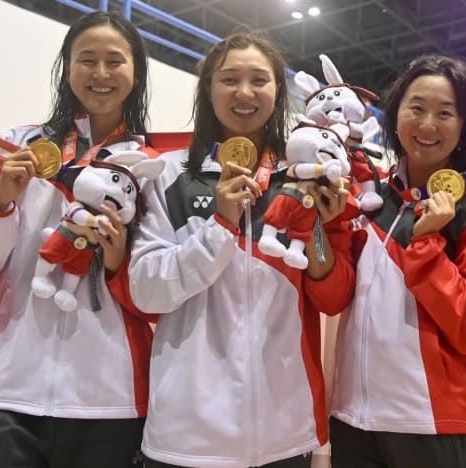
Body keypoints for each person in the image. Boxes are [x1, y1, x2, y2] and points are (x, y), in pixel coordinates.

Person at [127, 29, 354, 468]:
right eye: (230, 79)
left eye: (259, 80)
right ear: (208, 89)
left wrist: (322, 226)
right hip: (185, 437)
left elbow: (333, 297)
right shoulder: (169, 174)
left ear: (278, 91)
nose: (245, 92)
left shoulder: (304, 175)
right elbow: (145, 290)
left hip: (284, 435)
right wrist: (222, 225)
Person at [0, 11, 156, 468]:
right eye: (87, 60)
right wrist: (1, 203)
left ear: (136, 72)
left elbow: (157, 280)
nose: (100, 74)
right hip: (10, 389)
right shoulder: (16, 146)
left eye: (115, 61)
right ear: (66, 67)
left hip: (110, 396)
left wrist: (119, 256)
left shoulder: (152, 165)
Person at [327, 55, 466, 468]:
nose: (428, 125)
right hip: (352, 420)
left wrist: (427, 244)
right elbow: (333, 296)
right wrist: (328, 229)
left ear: (465, 127)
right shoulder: (368, 196)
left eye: (445, 113)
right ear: (394, 118)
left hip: (435, 427)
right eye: (416, 108)